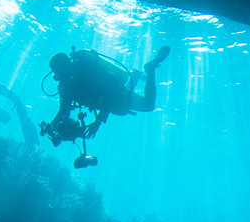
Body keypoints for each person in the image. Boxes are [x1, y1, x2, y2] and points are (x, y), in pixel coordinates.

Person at [40, 43, 170, 163]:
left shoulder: (86, 71)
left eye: (63, 70)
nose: (63, 75)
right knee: (120, 109)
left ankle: (150, 68)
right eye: (60, 73)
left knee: (147, 105)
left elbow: (109, 93)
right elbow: (64, 109)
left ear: (67, 65)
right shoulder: (65, 86)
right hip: (107, 102)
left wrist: (98, 121)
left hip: (116, 91)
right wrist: (51, 125)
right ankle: (135, 75)